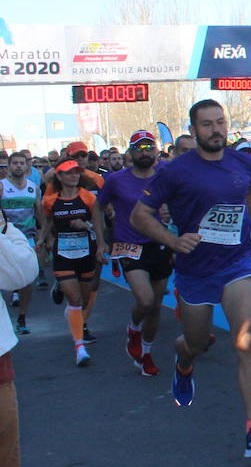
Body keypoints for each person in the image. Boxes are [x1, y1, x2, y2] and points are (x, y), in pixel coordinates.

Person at [132, 100, 251, 457]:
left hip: (237, 262)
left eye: (220, 122)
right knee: (195, 342)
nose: (216, 130)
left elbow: (250, 195)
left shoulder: (244, 162)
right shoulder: (175, 171)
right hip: (196, 270)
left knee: (245, 342)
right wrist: (172, 240)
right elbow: (140, 215)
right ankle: (184, 362)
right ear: (194, 129)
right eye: (207, 124)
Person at [97, 131, 171, 376]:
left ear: (156, 151)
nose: (144, 151)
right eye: (138, 147)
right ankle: (133, 329)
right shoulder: (116, 180)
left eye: (149, 147)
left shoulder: (166, 174)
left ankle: (146, 353)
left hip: (160, 243)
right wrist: (101, 241)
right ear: (130, 152)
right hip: (129, 245)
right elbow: (97, 208)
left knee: (156, 306)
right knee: (146, 301)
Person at [38, 159, 108, 365]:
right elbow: (48, 221)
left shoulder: (88, 198)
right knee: (76, 300)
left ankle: (70, 307)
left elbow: (98, 226)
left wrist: (98, 242)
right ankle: (80, 347)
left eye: (76, 172)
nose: (74, 176)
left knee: (84, 300)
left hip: (86, 254)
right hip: (63, 255)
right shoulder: (50, 200)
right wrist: (43, 240)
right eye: (68, 173)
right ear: (59, 177)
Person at [1, 155, 38, 335]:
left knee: (28, 279)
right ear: (8, 167)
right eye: (14, 163)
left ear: (27, 166)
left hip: (28, 238)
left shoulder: (33, 188)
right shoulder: (2, 186)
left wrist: (44, 236)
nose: (18, 166)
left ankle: (22, 317)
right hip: (5, 238)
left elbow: (42, 215)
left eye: (21, 163)